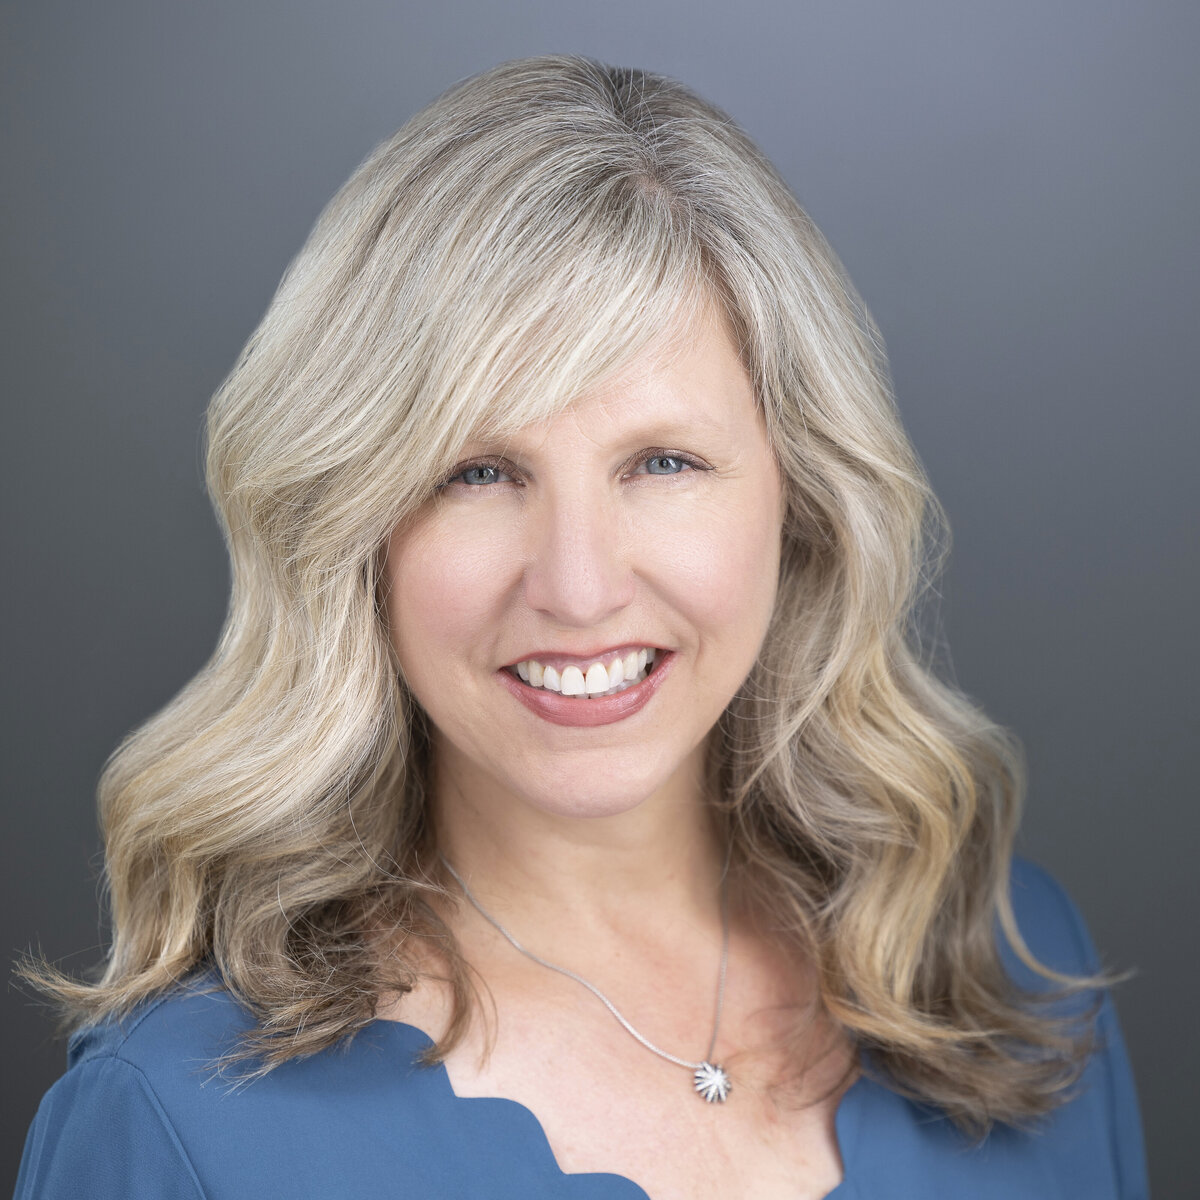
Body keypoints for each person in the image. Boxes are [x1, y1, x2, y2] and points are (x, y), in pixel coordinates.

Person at [15, 55, 1146, 1199]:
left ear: (799, 496)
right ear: (357, 532)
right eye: (477, 470)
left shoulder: (1011, 974)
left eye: (662, 462)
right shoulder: (178, 1126)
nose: (577, 584)